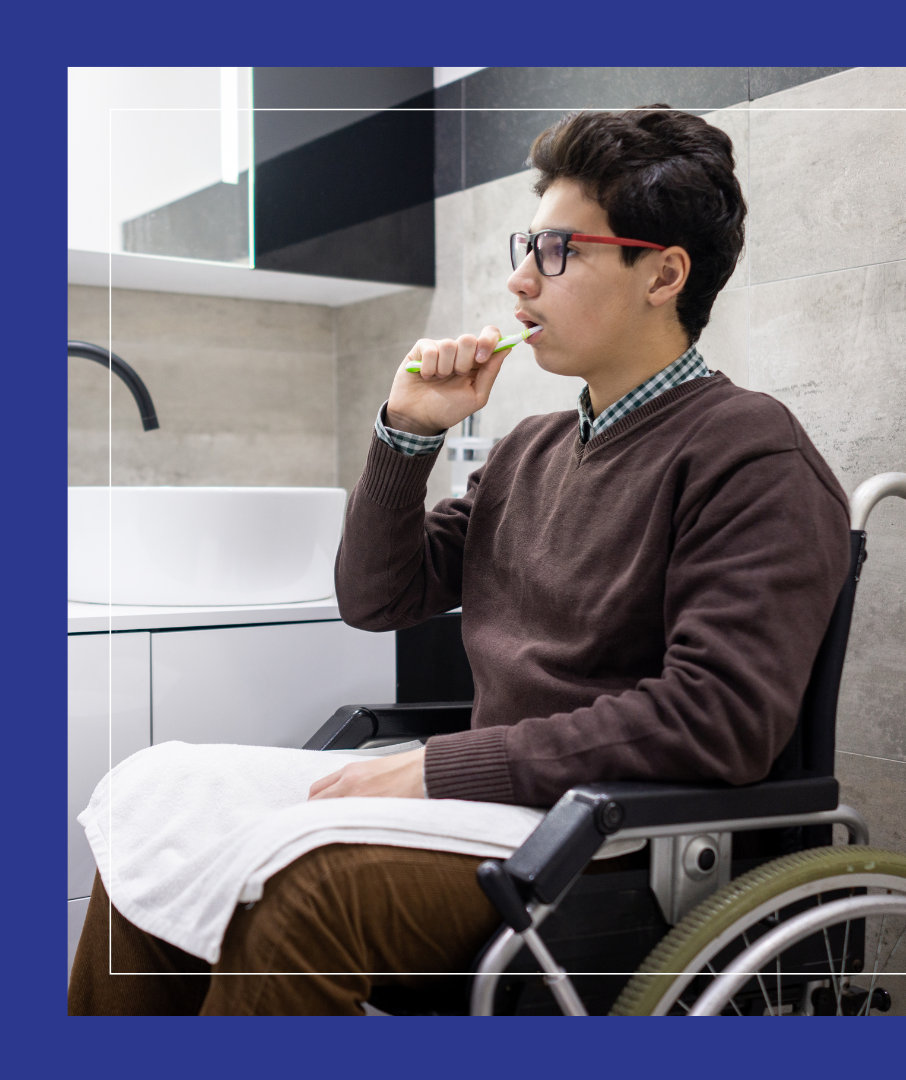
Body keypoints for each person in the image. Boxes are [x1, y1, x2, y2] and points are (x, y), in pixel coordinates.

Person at [69, 105, 851, 1015]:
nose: (520, 278)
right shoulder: (532, 449)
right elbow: (376, 595)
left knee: (307, 892)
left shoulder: (748, 452)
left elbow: (718, 717)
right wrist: (405, 435)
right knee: (163, 826)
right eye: (529, 245)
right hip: (497, 811)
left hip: (613, 837)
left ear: (663, 274)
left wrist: (442, 766)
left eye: (558, 251)